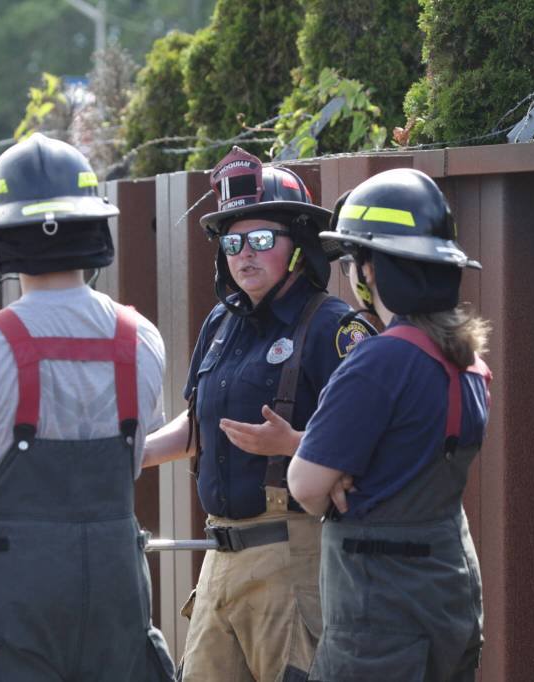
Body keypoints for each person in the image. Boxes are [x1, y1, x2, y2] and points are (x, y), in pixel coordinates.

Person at [0, 133, 174, 681]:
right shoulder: (142, 339)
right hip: (114, 597)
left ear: (1, 238)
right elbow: (134, 453)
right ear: (95, 227)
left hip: (11, 604)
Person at [143, 146, 373, 682]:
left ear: (299, 246)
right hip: (219, 560)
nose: (244, 254)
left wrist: (293, 443)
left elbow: (378, 441)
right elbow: (200, 427)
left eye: (262, 239)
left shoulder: (332, 328)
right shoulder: (219, 325)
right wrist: (132, 455)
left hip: (294, 562)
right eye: (232, 242)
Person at [287, 168, 491, 682]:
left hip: (381, 618)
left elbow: (307, 486)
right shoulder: (468, 364)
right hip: (449, 596)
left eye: (354, 258)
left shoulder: (378, 362)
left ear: (371, 270)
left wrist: (340, 474)